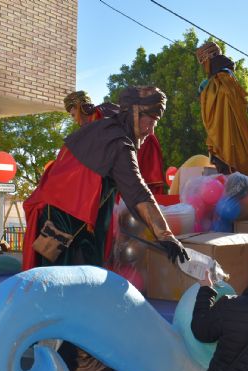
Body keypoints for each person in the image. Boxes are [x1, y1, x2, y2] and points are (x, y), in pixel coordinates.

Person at [23, 86, 188, 271]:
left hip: (66, 218)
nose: (151, 131)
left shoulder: (105, 127)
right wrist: (165, 235)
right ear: (135, 113)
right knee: (59, 279)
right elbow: (137, 192)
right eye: (150, 122)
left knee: (73, 275)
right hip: (61, 222)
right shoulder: (118, 142)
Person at [65, 90, 165, 195]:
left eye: (73, 115)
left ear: (79, 108)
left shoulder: (101, 114)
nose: (75, 120)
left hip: (141, 143)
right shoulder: (98, 115)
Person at [196, 41, 248, 177]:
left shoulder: (223, 78)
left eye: (203, 62)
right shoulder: (226, 78)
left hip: (228, 136)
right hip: (223, 134)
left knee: (233, 172)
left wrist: (205, 90)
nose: (203, 67)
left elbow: (229, 105)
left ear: (209, 60)